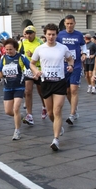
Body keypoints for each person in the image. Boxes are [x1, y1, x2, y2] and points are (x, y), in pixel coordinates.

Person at [30, 23, 74, 151]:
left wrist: (70, 66)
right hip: (46, 82)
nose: (51, 37)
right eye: (49, 34)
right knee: (50, 113)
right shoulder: (40, 49)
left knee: (57, 110)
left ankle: (55, 139)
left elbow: (70, 59)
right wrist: (35, 72)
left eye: (53, 34)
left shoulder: (63, 48)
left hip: (59, 82)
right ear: (45, 34)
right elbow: (32, 64)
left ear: (57, 35)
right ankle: (57, 126)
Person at [0, 38, 30, 140]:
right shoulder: (3, 58)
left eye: (10, 49)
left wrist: (34, 74)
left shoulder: (21, 57)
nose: (8, 51)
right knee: (8, 111)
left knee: (16, 108)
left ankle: (17, 131)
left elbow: (29, 67)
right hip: (8, 87)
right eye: (6, 49)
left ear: (15, 48)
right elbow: (0, 71)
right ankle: (21, 116)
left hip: (19, 86)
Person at [56, 15, 86, 125]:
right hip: (63, 65)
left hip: (76, 65)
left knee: (74, 90)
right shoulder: (60, 35)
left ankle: (72, 114)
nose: (69, 25)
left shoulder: (78, 35)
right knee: (67, 91)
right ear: (64, 23)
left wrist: (84, 54)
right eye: (67, 23)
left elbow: (83, 46)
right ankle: (74, 108)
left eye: (71, 23)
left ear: (75, 23)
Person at [18, 25, 45, 125]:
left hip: (38, 69)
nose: (28, 35)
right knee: (28, 91)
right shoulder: (23, 42)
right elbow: (20, 54)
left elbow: (44, 56)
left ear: (34, 33)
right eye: (27, 33)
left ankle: (44, 107)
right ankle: (29, 115)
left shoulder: (40, 42)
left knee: (41, 92)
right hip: (28, 69)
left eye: (30, 33)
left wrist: (33, 55)